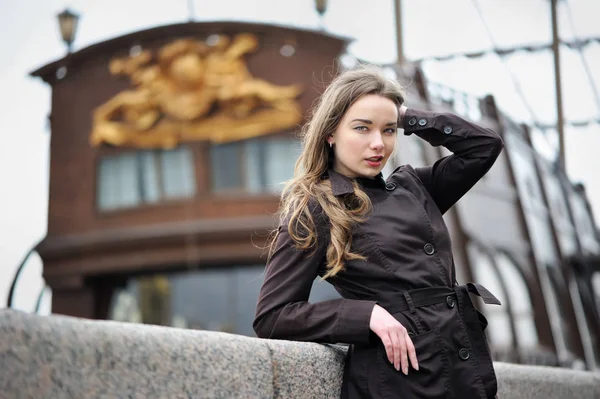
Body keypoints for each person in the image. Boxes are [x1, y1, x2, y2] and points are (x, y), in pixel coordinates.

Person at [253, 65, 504, 399]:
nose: (378, 144)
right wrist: (366, 314)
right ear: (331, 133)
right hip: (401, 381)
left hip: (462, 366)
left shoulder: (415, 187)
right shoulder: (317, 208)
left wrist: (407, 116)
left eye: (388, 131)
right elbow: (272, 316)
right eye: (362, 128)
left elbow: (484, 146)